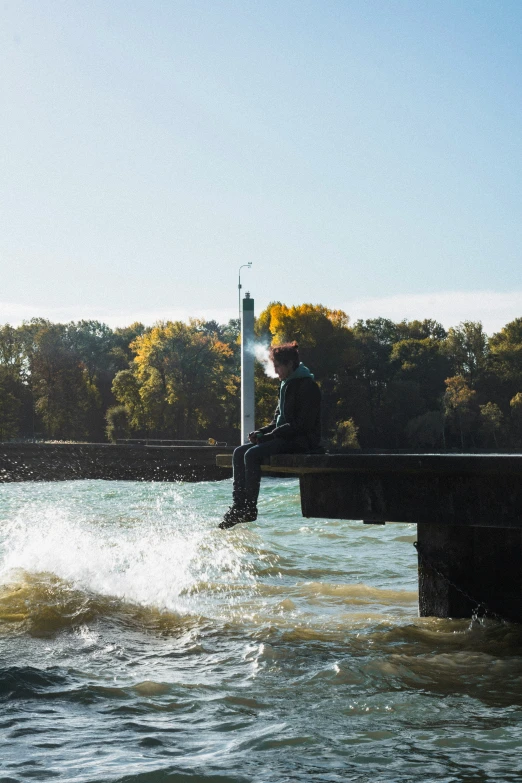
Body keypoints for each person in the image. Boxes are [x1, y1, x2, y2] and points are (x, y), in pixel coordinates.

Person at [219, 341, 321, 529]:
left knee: (252, 454)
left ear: (290, 364)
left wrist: (271, 436)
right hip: (284, 437)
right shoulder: (286, 385)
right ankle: (238, 505)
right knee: (239, 452)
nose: (276, 372)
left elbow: (302, 425)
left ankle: (249, 508)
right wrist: (261, 432)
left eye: (278, 367)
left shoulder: (308, 386)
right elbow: (278, 420)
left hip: (302, 441)